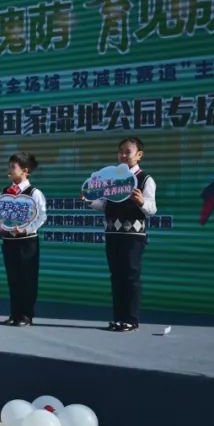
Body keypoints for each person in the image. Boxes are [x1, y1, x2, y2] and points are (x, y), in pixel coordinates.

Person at [87, 136, 157, 332]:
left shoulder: (145, 179)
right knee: (116, 276)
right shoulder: (112, 179)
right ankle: (118, 318)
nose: (123, 155)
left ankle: (131, 320)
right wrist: (89, 200)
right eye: (121, 152)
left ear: (139, 155)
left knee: (130, 276)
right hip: (112, 233)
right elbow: (104, 204)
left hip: (133, 235)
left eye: (128, 152)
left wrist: (141, 201)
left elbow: (152, 209)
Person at [0, 152, 47, 327]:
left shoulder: (34, 192)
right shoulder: (4, 192)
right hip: (9, 242)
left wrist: (26, 229)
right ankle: (14, 313)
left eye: (13, 167)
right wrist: (0, 227)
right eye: (9, 166)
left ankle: (26, 315)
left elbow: (41, 216)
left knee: (28, 279)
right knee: (13, 279)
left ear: (25, 171)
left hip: (27, 242)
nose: (10, 170)